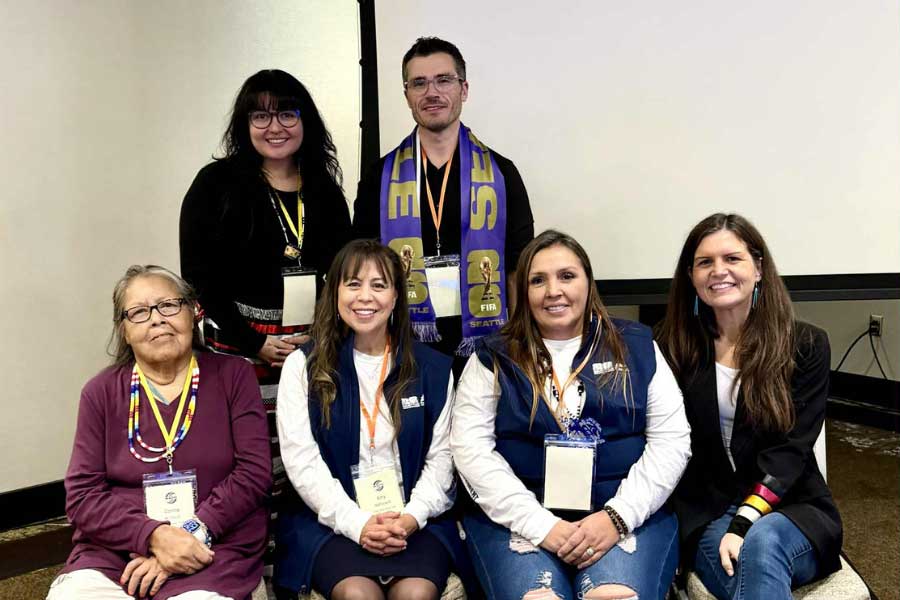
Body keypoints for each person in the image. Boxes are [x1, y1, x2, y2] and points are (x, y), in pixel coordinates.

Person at [451, 230, 691, 600]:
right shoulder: (492, 357)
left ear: (588, 282)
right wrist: (542, 526)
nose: (553, 291)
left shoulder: (638, 346)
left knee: (612, 597)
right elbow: (471, 452)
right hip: (518, 519)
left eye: (567, 276)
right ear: (522, 291)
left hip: (624, 515)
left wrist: (616, 518)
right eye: (538, 280)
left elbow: (672, 442)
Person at [47, 265, 270, 600]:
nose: (157, 319)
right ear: (123, 330)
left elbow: (253, 474)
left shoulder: (234, 376)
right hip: (118, 551)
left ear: (193, 312)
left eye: (169, 305)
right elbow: (82, 496)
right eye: (138, 312)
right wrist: (153, 537)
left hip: (214, 543)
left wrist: (188, 536)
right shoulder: (100, 392)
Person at [655, 213, 843, 600]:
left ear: (758, 268)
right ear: (690, 276)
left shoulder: (805, 345)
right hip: (708, 511)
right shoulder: (671, 347)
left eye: (732, 259)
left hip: (793, 507)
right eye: (705, 262)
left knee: (763, 543)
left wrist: (744, 521)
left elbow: (790, 452)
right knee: (757, 579)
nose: (718, 271)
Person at [273, 240, 474, 599]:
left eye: (379, 285)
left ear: (397, 297)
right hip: (331, 521)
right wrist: (358, 523)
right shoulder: (303, 366)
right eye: (353, 284)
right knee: (357, 595)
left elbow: (443, 460)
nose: (365, 297)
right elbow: (302, 463)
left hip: (415, 520)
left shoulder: (434, 368)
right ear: (334, 292)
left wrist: (411, 517)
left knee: (415, 594)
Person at [353, 37, 534, 372]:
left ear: (463, 89)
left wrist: (519, 344)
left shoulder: (502, 173)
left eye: (443, 80)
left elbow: (517, 269)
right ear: (406, 95)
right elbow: (362, 266)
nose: (431, 92)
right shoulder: (379, 177)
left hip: (487, 344)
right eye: (418, 83)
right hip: (404, 344)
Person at [180, 68, 351, 391]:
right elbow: (197, 276)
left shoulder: (323, 188)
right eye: (261, 116)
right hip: (235, 344)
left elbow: (344, 271)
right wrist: (253, 342)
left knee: (306, 436)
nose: (275, 128)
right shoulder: (215, 184)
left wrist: (319, 335)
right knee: (247, 438)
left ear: (305, 121)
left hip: (310, 344)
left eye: (287, 114)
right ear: (245, 125)